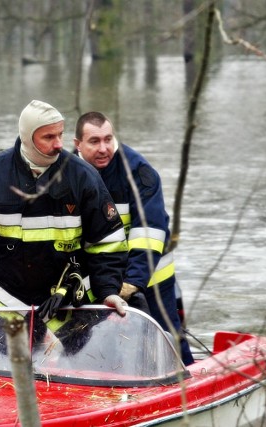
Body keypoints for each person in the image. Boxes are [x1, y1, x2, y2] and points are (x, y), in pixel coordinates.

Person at [0, 100, 129, 327]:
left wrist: (108, 291)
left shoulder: (83, 177)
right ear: (27, 137)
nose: (59, 144)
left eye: (60, 135)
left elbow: (109, 243)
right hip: (7, 301)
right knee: (8, 361)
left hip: (67, 303)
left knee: (76, 360)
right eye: (48, 137)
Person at [73, 111, 194, 365]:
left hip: (150, 276)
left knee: (166, 338)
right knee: (94, 344)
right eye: (94, 142)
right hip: (96, 277)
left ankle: (186, 379)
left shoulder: (139, 172)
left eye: (108, 139)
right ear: (77, 145)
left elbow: (150, 234)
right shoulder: (67, 174)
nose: (104, 148)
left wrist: (132, 283)